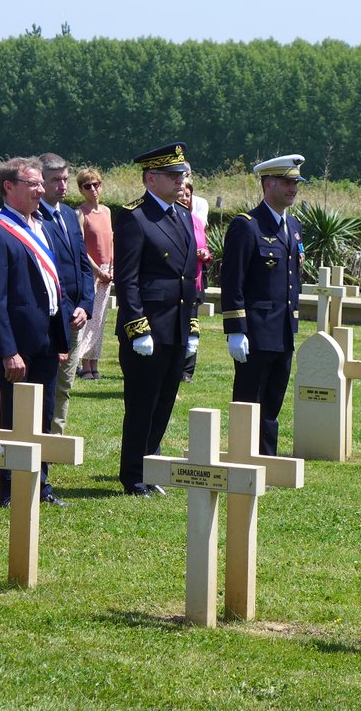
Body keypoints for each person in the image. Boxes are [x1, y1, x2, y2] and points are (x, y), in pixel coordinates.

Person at [0, 158, 70, 506]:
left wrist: (61, 334)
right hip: (16, 343)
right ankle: (4, 488)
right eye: (32, 184)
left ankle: (38, 484)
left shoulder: (41, 224)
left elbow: (52, 283)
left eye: (41, 183)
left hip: (45, 337)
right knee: (9, 416)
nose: (41, 190)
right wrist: (6, 349)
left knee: (42, 414)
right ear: (9, 187)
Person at [114, 143, 199, 495]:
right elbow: (128, 278)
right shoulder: (135, 217)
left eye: (183, 175)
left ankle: (151, 469)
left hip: (175, 325)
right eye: (174, 175)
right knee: (142, 405)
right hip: (148, 328)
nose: (182, 181)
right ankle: (134, 475)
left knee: (164, 403)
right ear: (152, 178)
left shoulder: (181, 215)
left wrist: (191, 325)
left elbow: (188, 276)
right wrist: (137, 327)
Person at [221, 154, 306, 457]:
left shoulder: (293, 225)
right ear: (268, 184)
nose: (293, 188)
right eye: (287, 182)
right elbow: (233, 281)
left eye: (296, 182)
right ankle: (245, 456)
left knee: (272, 401)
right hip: (255, 332)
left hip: (282, 330)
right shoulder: (248, 225)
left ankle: (266, 460)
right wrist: (235, 329)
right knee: (250, 399)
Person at [39, 154, 93, 453]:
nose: (62, 186)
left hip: (76, 314)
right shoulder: (35, 219)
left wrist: (86, 303)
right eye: (55, 180)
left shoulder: (71, 215)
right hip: (54, 315)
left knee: (66, 382)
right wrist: (68, 307)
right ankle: (43, 441)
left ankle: (56, 442)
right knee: (48, 383)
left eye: (64, 179)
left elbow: (83, 264)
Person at [75, 167, 113, 380]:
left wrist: (111, 269)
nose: (93, 189)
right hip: (91, 272)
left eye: (96, 184)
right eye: (87, 186)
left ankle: (94, 363)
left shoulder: (107, 211)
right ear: (81, 190)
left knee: (100, 320)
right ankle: (83, 364)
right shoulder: (80, 213)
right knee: (88, 319)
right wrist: (97, 271)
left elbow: (111, 241)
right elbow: (81, 247)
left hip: (108, 271)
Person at [180, 170, 212, 382]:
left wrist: (205, 254)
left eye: (188, 194)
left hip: (195, 282)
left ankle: (187, 370)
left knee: (193, 325)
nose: (184, 197)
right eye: (181, 193)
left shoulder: (197, 222)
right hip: (177, 284)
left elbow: (206, 249)